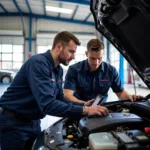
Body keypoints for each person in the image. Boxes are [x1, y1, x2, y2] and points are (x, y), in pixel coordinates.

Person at [0, 32, 109, 150]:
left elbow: (59, 97)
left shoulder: (59, 70)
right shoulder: (38, 63)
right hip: (14, 123)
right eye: (71, 52)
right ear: (58, 47)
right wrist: (85, 110)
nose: (73, 57)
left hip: (34, 122)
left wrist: (82, 104)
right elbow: (48, 105)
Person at [64, 39, 142, 106]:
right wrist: (84, 104)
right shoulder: (74, 70)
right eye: (93, 58)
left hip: (100, 109)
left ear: (103, 55)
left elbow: (120, 92)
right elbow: (67, 95)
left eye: (99, 58)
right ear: (87, 54)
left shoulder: (111, 71)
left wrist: (129, 96)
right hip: (79, 108)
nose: (96, 63)